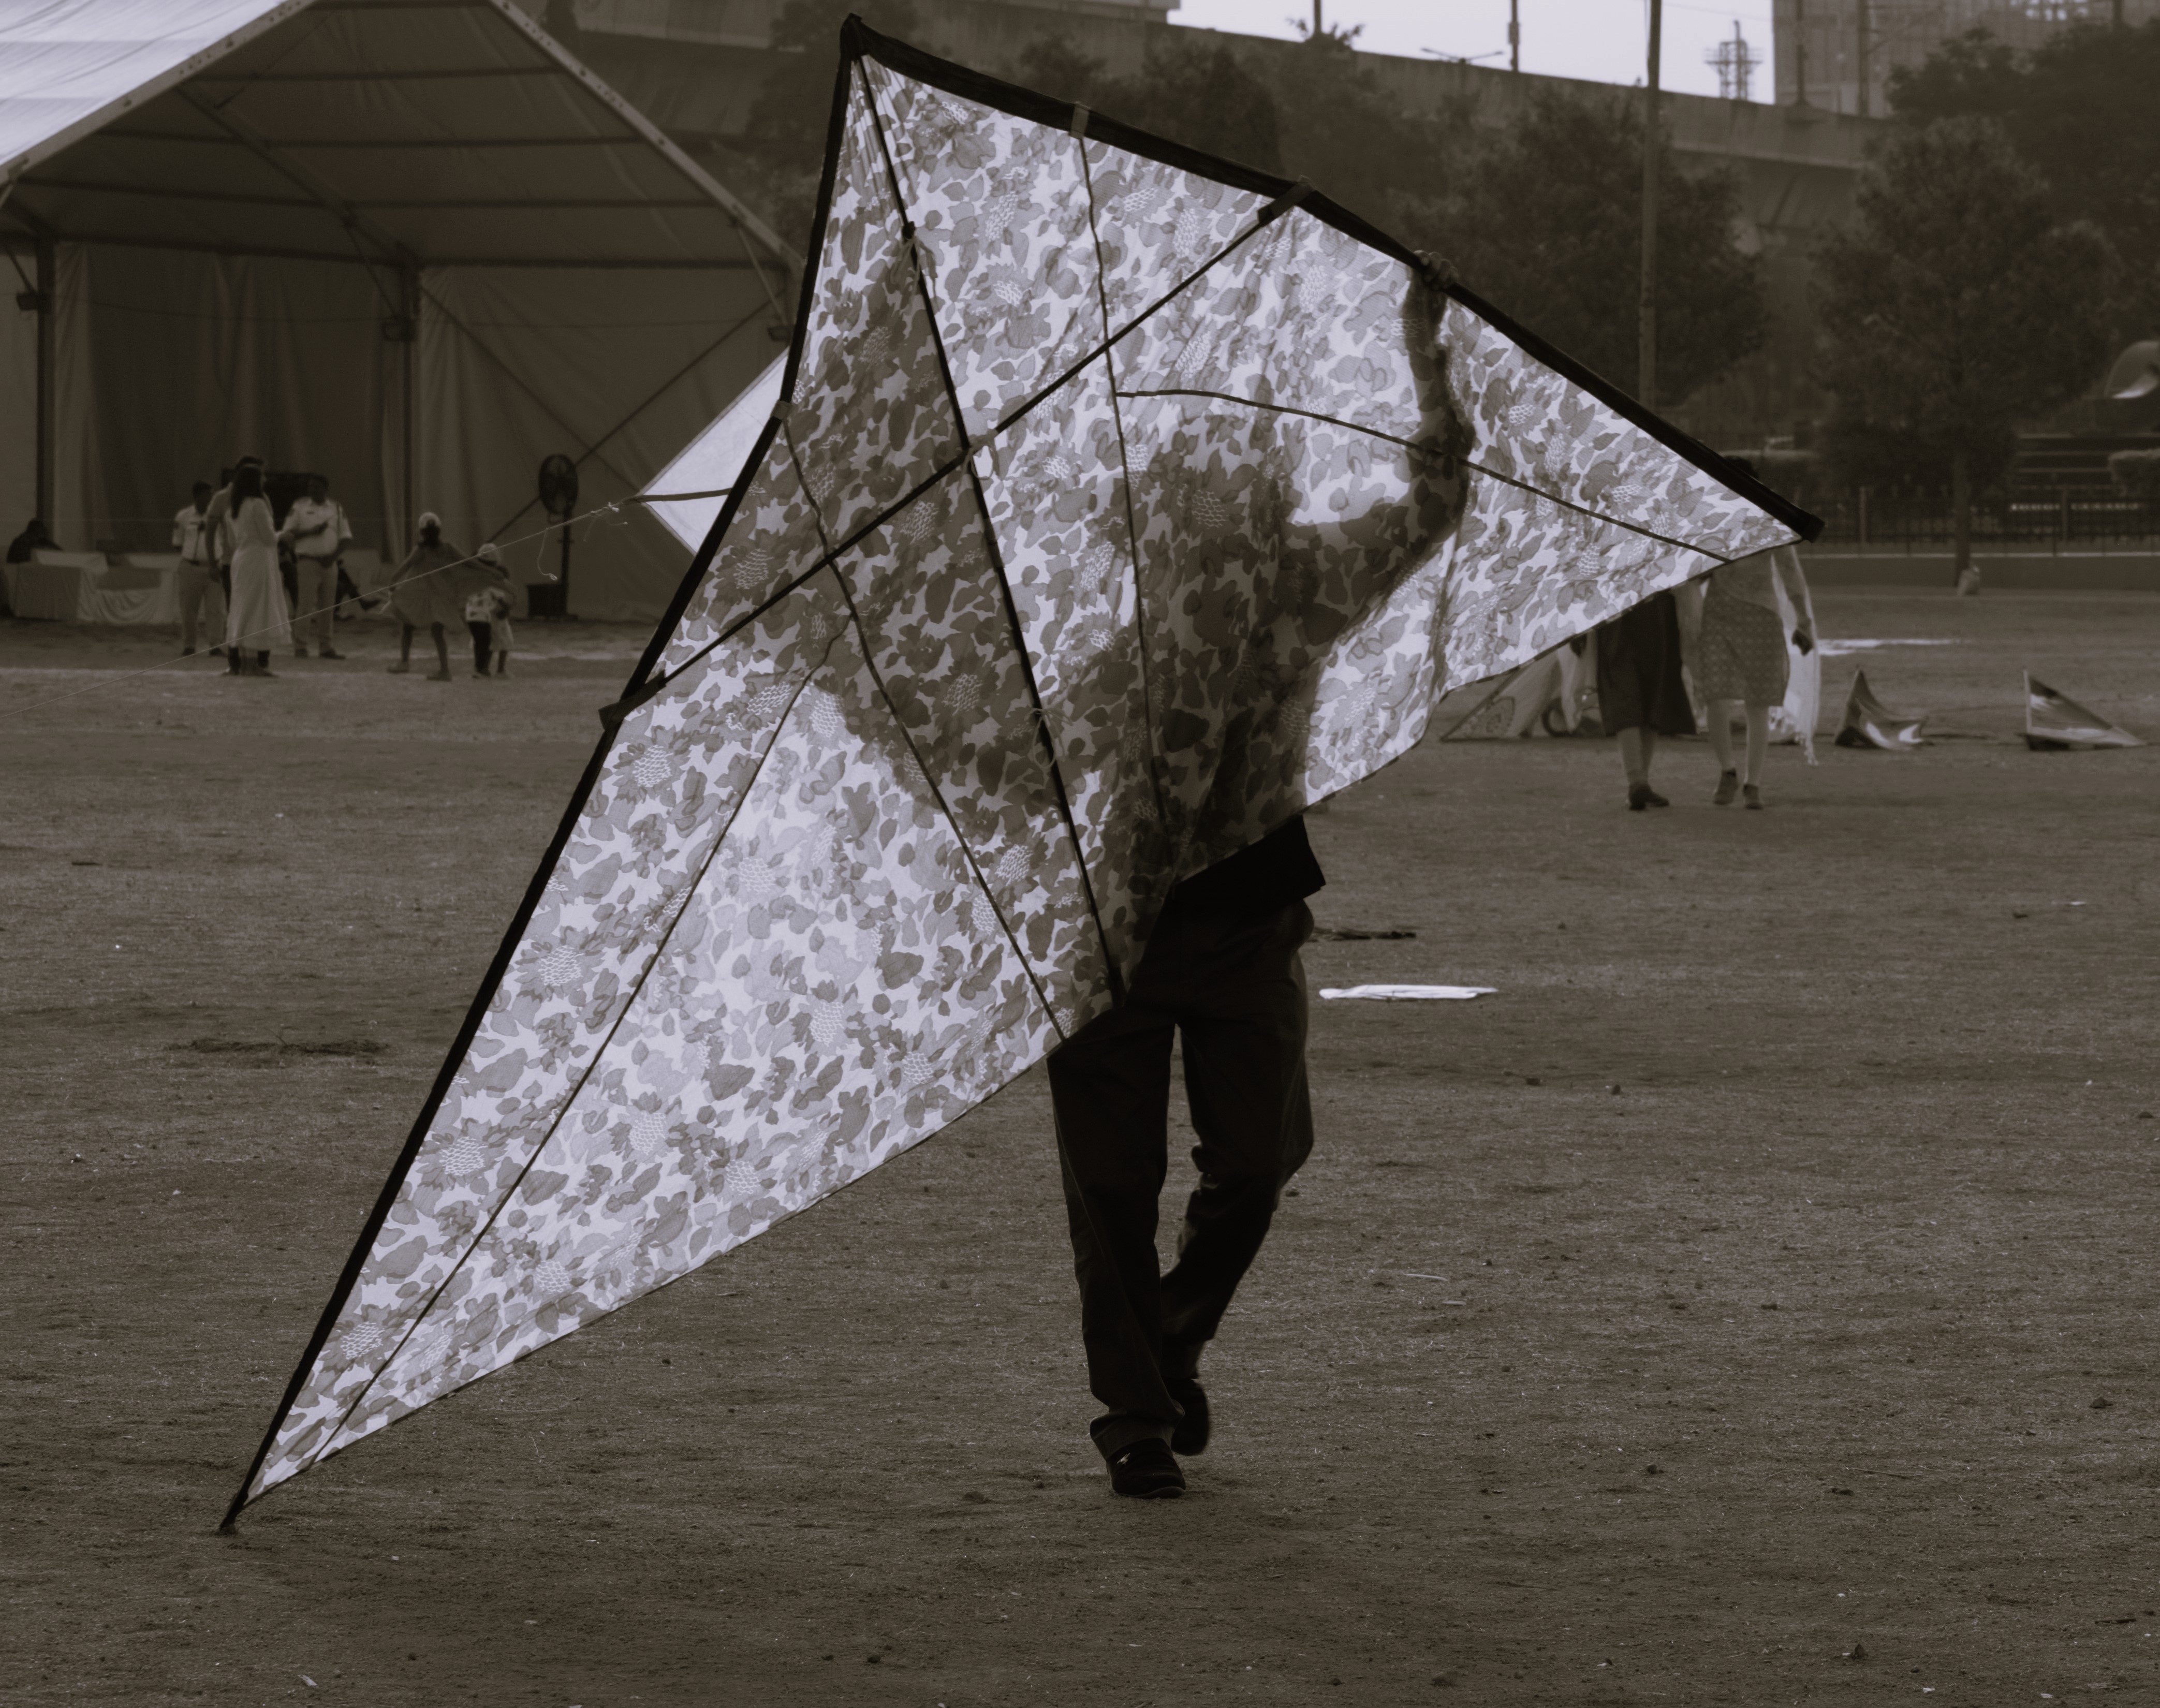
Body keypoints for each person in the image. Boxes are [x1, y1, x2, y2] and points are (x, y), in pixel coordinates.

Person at [1047, 817, 1323, 1498]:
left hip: (1248, 905)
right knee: (1111, 1182)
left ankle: (1174, 1333)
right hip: (1097, 913)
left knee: (1258, 1161)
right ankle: (1134, 1418)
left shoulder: (1254, 704)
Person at [1694, 542, 1815, 810]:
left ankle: (1753, 782)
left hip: (1762, 614)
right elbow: (1695, 571)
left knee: (1758, 701)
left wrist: (1804, 619)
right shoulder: (1719, 517)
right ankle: (1728, 771)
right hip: (1719, 614)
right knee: (1715, 694)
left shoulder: (1769, 522)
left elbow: (1789, 569)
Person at [1595, 588, 1695, 810]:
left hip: (1652, 612)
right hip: (1620, 613)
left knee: (1651, 697)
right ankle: (1637, 781)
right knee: (1628, 695)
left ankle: (1639, 782)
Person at [223, 463, 291, 677]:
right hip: (258, 558)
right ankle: (252, 664)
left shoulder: (234, 508)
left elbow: (234, 540)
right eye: (261, 478)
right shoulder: (257, 504)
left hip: (242, 558)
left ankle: (245, 661)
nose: (264, 482)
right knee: (256, 608)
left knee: (243, 607)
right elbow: (269, 538)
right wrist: (285, 535)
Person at [278, 474, 352, 660]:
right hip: (307, 562)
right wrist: (309, 532)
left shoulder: (336, 508)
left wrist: (333, 557)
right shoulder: (300, 507)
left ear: (325, 489)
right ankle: (301, 646)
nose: (312, 490)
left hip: (329, 563)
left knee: (328, 607)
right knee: (305, 606)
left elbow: (345, 538)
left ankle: (326, 647)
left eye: (317, 487)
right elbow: (287, 534)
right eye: (310, 487)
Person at [388, 512, 464, 681]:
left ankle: (407, 662)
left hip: (426, 595)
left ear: (422, 532)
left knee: (412, 627)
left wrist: (393, 580)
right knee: (433, 631)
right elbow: (465, 563)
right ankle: (442, 670)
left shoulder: (425, 549)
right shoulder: (447, 548)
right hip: (434, 595)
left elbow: (406, 565)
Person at [172, 482, 227, 657]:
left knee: (215, 609)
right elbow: (177, 543)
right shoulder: (184, 516)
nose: (210, 498)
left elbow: (226, 538)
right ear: (196, 496)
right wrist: (190, 558)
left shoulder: (220, 515)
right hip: (191, 566)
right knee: (189, 608)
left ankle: (216, 645)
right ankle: (189, 645)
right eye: (206, 495)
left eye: (211, 495)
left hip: (214, 567)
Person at [463, 543, 517, 678]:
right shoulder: (494, 578)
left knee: (484, 642)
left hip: (478, 615)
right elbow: (507, 596)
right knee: (494, 642)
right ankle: (495, 670)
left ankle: (483, 668)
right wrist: (508, 609)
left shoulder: (474, 578)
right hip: (490, 616)